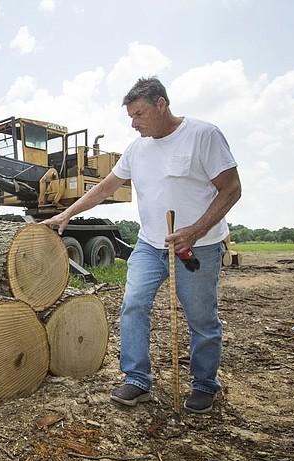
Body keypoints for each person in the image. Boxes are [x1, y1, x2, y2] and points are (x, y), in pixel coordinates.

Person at [41, 77, 241, 414]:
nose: (134, 124)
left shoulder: (203, 135)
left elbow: (231, 188)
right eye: (131, 116)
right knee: (133, 304)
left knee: (201, 318)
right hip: (150, 244)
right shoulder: (137, 149)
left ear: (161, 105)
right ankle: (137, 379)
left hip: (197, 246)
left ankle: (205, 384)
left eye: (139, 114)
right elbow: (105, 188)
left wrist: (193, 231)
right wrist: (68, 213)